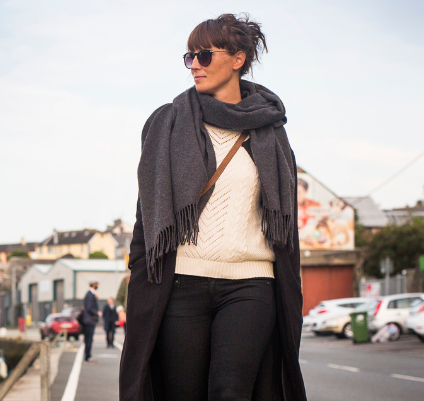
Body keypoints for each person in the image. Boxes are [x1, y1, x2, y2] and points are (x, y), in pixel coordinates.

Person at [120, 13, 307, 401]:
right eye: (189, 57)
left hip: (252, 284)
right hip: (181, 283)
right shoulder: (169, 123)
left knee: (231, 391)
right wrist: (140, 280)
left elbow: (285, 223)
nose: (194, 66)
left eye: (204, 55)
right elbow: (147, 219)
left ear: (237, 59)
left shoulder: (270, 131)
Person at [81, 280, 99, 363]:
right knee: (89, 339)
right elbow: (89, 307)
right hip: (89, 320)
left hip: (88, 320)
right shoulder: (90, 294)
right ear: (94, 284)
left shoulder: (91, 294)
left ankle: (87, 355)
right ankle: (87, 356)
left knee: (88, 339)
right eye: (97, 284)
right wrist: (97, 313)